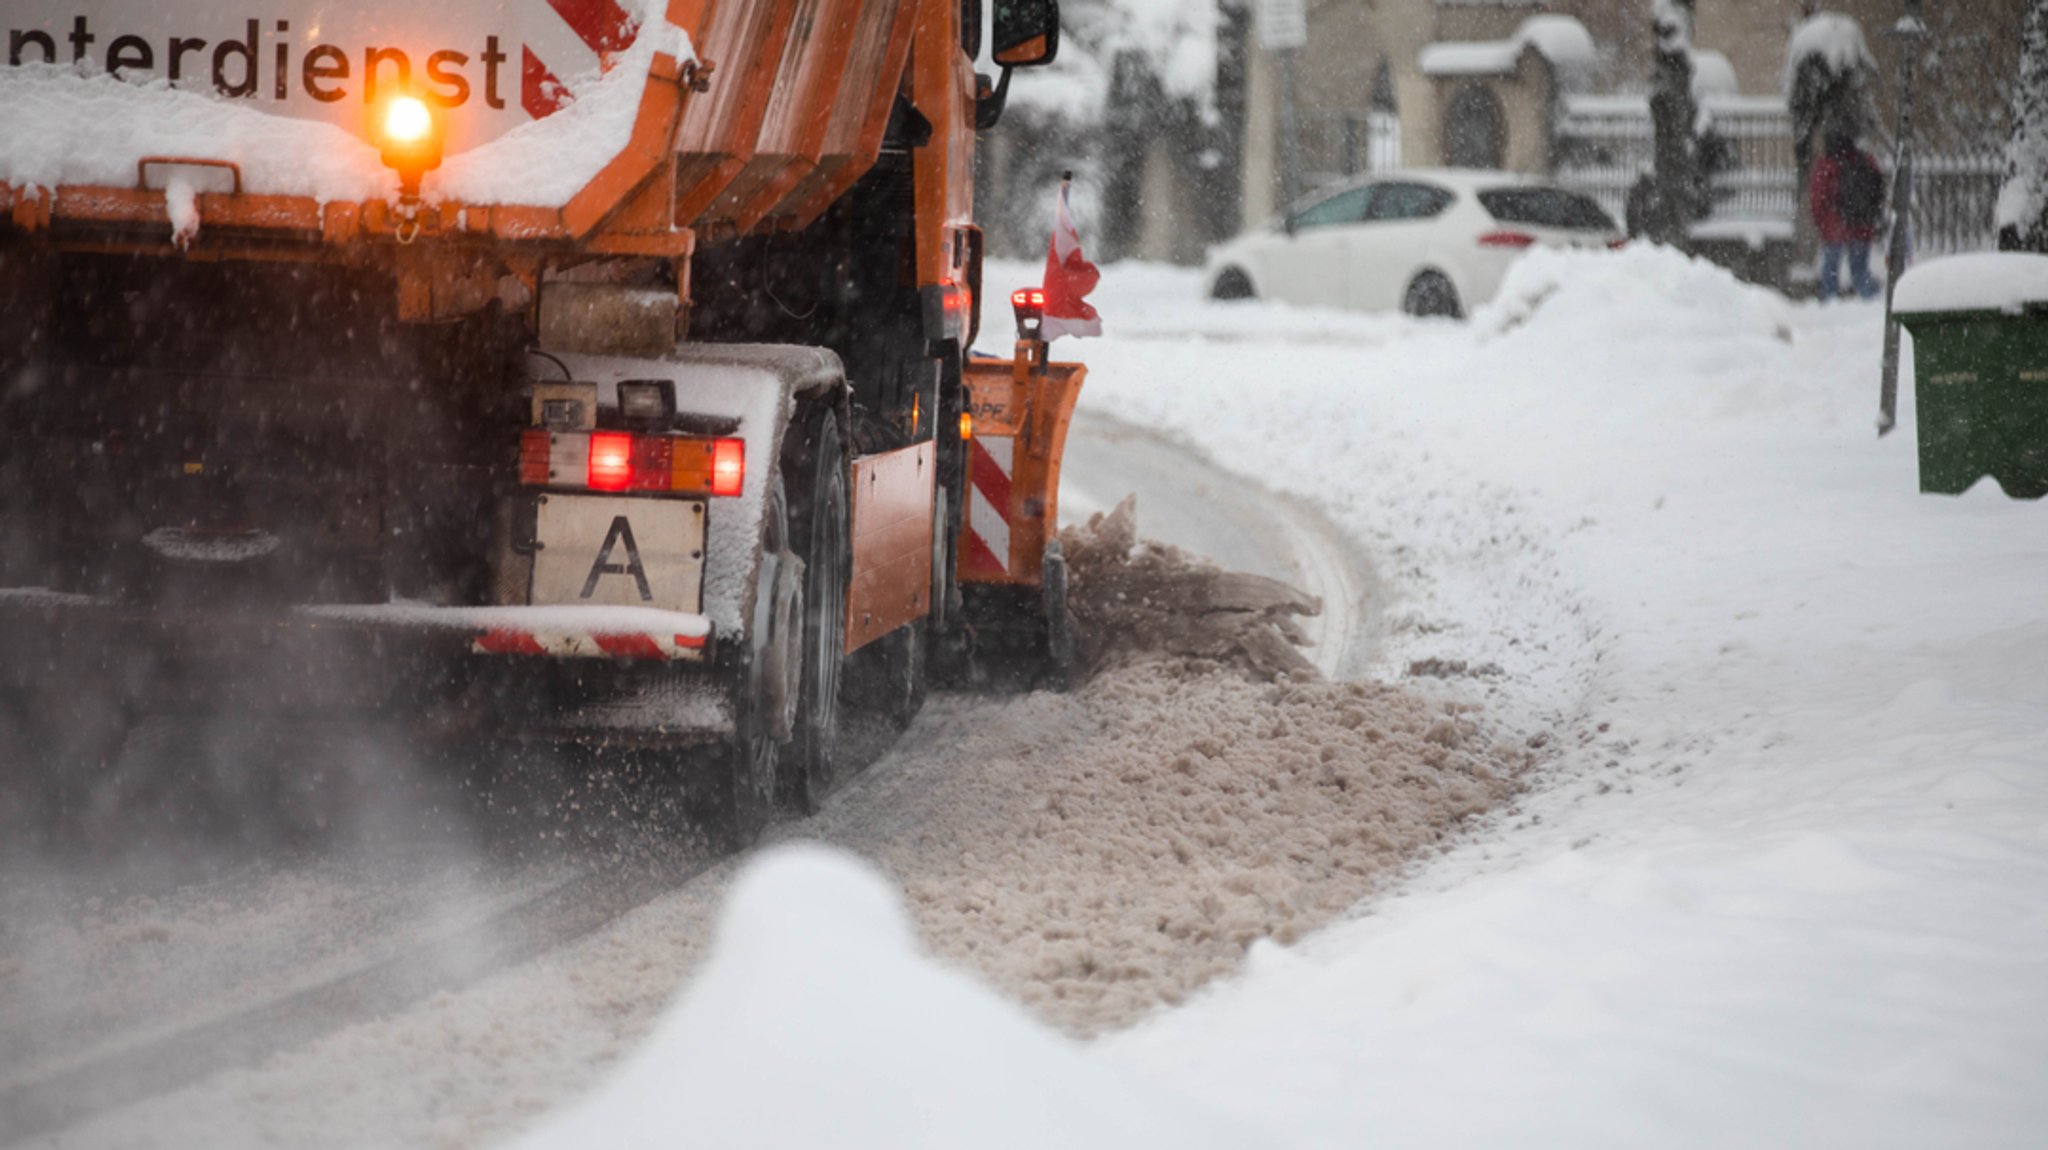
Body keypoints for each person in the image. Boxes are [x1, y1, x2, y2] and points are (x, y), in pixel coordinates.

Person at [1809, 125, 1885, 301]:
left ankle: (1829, 307)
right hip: (1862, 224)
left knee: (1830, 271)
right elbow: (1878, 190)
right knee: (1860, 271)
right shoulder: (1865, 160)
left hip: (1834, 226)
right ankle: (1875, 301)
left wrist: (1821, 222)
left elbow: (1818, 198)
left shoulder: (1827, 165)